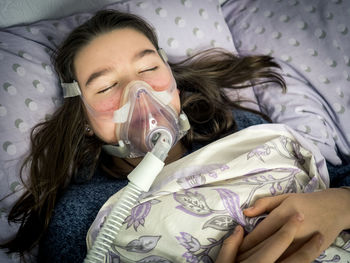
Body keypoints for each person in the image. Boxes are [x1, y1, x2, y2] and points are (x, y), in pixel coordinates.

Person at [1, 9, 349, 263]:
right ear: (84, 119)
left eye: (149, 68)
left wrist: (339, 203)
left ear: (173, 82)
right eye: (107, 86)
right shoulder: (79, 217)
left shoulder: (239, 128)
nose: (138, 92)